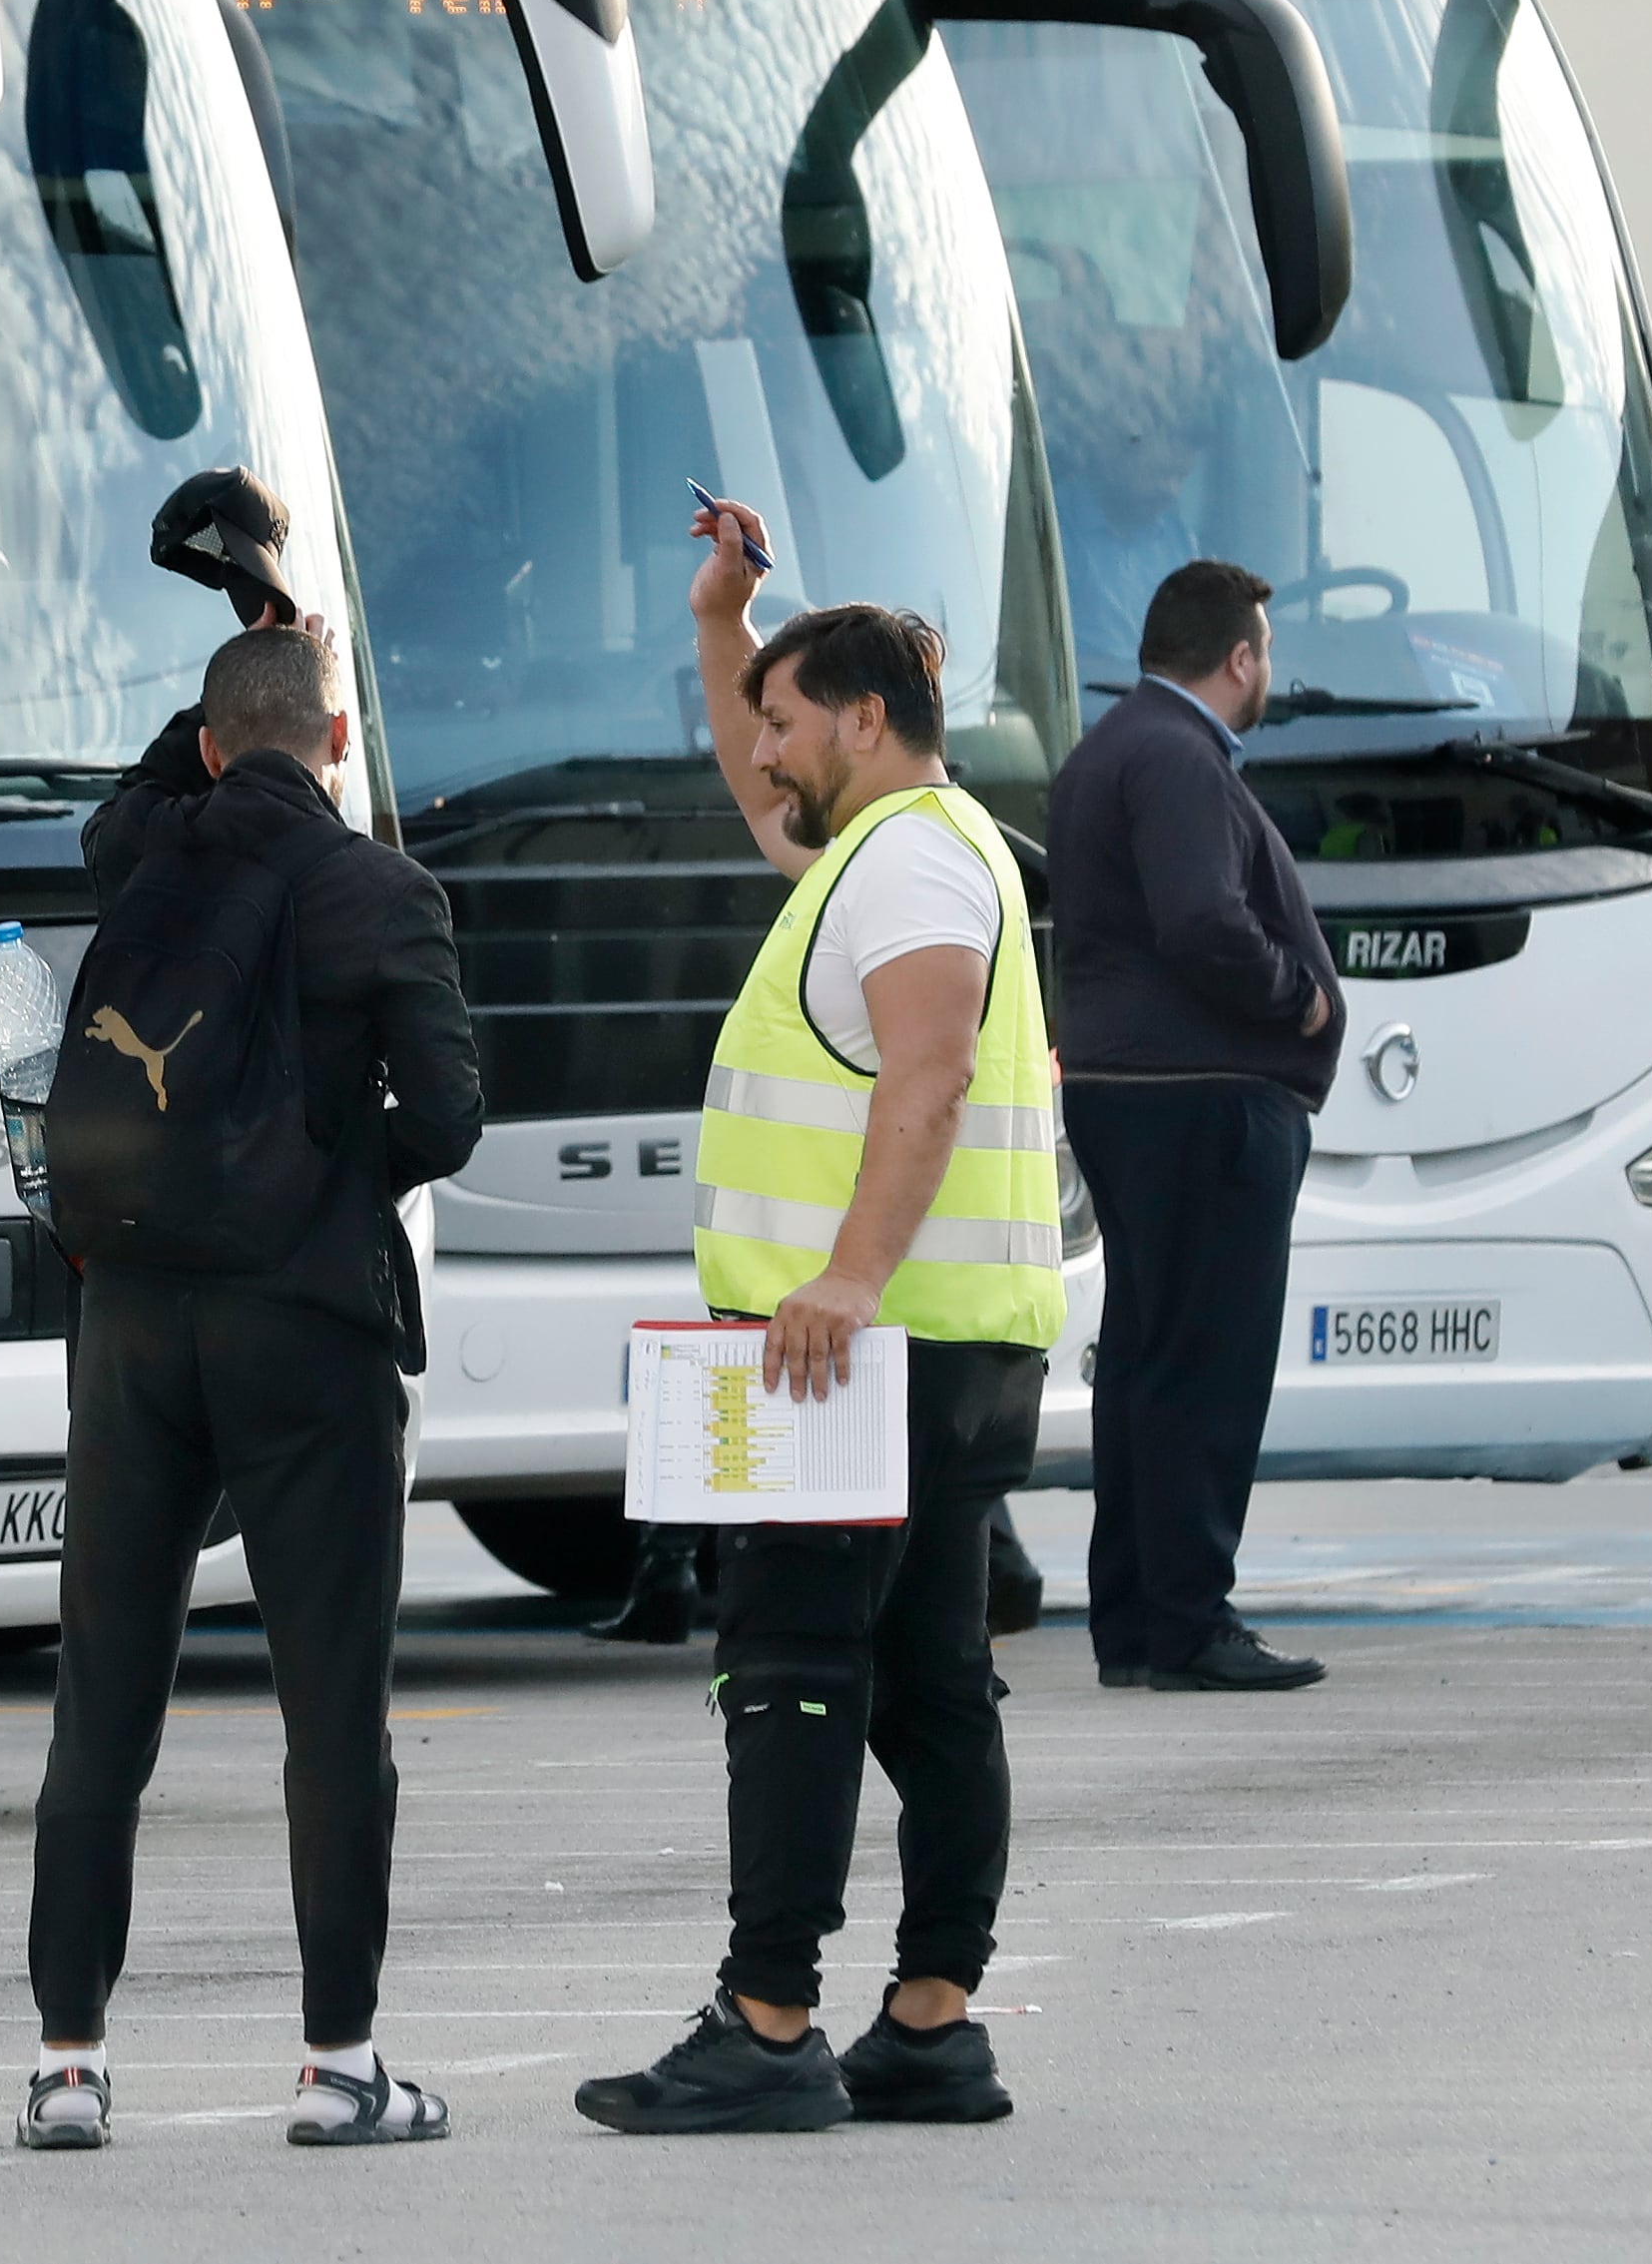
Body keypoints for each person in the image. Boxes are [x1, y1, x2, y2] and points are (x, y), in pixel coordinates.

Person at [575, 504, 1060, 2135]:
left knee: (784, 1654)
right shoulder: (911, 842)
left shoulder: (911, 860)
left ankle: (770, 2013)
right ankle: (931, 2018)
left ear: (866, 718)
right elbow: (765, 784)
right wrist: (727, 621)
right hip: (942, 1339)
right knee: (928, 1675)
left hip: (860, 1343)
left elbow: (920, 1077)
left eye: (785, 718)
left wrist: (846, 1275)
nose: (758, 750)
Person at [19, 621, 478, 2154]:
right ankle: (339, 2062)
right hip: (306, 1327)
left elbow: (138, 795)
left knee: (105, 1701)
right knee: (330, 1703)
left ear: (209, 746)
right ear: (337, 743)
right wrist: (328, 1170)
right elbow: (456, 1118)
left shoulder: (146, 865)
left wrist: (224, 667)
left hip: (135, 1323)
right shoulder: (383, 892)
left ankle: (68, 2063)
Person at [1054, 557, 1341, 1695]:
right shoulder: (1177, 759)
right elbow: (1203, 922)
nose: (1265, 670)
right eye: (1262, 651)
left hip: (1130, 1091)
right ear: (1238, 659)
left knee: (1143, 1358)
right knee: (1206, 1361)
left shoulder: (1107, 749)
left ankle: (1132, 1616)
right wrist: (1300, 995)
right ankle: (1187, 1618)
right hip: (1200, 1098)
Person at [83, 466, 317, 907]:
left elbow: (108, 847)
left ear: (210, 750)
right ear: (339, 735)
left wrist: (237, 705)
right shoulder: (392, 892)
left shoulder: (193, 858)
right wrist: (278, 694)